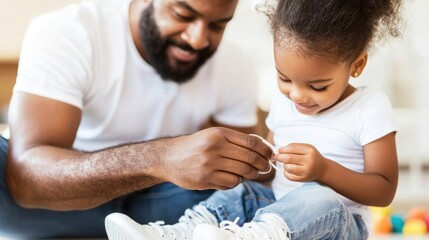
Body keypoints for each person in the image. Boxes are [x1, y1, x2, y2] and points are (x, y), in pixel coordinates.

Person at [104, 0, 402, 239]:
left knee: (319, 197)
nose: (297, 95)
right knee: (243, 191)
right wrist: (256, 162)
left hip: (339, 225)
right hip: (274, 213)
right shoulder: (283, 104)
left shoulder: (369, 106)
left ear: (357, 65)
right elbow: (269, 175)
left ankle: (249, 236)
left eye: (318, 86)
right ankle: (179, 232)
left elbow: (384, 190)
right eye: (284, 78)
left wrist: (324, 170)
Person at [0, 0, 275, 238]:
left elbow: (244, 180)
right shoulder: (70, 32)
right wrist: (160, 157)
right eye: (183, 15)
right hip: (64, 197)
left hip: (164, 203)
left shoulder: (235, 66)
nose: (198, 39)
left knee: (260, 198)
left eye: (217, 25)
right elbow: (26, 179)